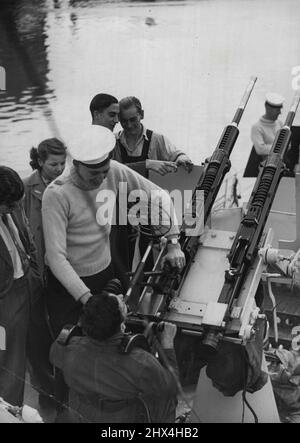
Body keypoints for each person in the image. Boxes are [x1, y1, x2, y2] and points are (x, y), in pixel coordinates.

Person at [42, 124, 185, 339]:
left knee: (110, 340)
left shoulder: (115, 171)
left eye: (104, 172)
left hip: (104, 274)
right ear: (77, 165)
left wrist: (173, 243)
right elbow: (56, 257)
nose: (101, 179)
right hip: (66, 284)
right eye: (93, 174)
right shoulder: (56, 194)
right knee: (70, 343)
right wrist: (87, 299)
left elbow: (159, 196)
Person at [50, 289, 178, 423]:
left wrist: (92, 317)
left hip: (80, 410)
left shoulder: (66, 348)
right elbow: (171, 386)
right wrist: (167, 343)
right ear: (121, 325)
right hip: (119, 418)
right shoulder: (140, 362)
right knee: (167, 398)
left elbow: (54, 356)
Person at [23, 138, 67, 408]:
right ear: (39, 162)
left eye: (63, 163)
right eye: (53, 164)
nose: (60, 169)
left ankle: (62, 387)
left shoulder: (66, 186)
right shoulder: (26, 189)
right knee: (37, 336)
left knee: (59, 330)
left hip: (61, 272)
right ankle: (45, 391)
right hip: (37, 275)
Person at [0, 166, 41, 406]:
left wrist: (34, 273)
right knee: (9, 361)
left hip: (28, 285)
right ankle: (10, 410)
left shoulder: (13, 204)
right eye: (10, 206)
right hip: (5, 303)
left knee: (31, 350)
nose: (16, 209)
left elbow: (27, 238)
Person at [113, 96, 193, 178]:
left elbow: (176, 154)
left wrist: (182, 158)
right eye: (124, 121)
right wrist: (147, 164)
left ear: (142, 115)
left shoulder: (157, 139)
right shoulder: (113, 141)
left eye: (133, 120)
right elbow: (109, 171)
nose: (129, 125)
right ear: (119, 119)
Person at [251, 92, 284, 158]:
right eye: (277, 110)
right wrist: (280, 146)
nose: (280, 113)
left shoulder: (279, 123)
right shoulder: (257, 127)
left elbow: (287, 145)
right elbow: (260, 149)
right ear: (268, 108)